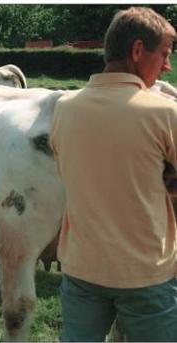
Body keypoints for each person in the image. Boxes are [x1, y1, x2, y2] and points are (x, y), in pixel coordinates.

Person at [50, 7, 177, 341]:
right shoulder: (165, 112)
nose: (167, 66)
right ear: (137, 51)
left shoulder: (64, 108)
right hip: (145, 274)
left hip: (81, 267)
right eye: (164, 54)